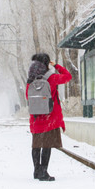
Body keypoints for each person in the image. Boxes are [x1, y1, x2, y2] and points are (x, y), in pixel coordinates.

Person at [26, 53, 72, 181]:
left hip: (35, 119)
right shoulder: (52, 78)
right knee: (46, 145)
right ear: (46, 64)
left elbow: (27, 98)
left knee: (36, 145)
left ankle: (36, 171)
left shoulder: (30, 80)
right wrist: (56, 65)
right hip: (49, 118)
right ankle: (44, 172)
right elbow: (68, 76)